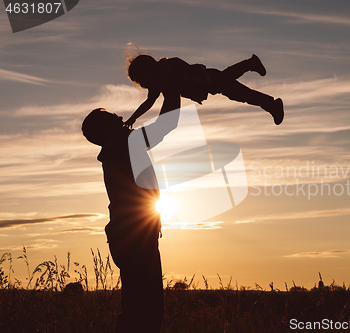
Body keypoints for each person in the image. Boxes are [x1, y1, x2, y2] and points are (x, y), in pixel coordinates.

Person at [81, 96, 180, 332]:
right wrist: (172, 88)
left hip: (124, 234)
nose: (120, 117)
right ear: (106, 129)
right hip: (136, 235)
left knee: (137, 308)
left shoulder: (116, 148)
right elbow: (168, 123)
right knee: (147, 312)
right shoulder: (128, 141)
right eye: (112, 117)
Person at [124, 53, 284, 127]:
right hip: (210, 84)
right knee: (232, 82)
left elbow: (171, 95)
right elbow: (149, 102)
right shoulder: (159, 83)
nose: (144, 85)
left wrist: (161, 122)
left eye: (142, 81)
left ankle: (271, 103)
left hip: (209, 79)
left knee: (240, 93)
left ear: (148, 71)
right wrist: (132, 118)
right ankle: (251, 64)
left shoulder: (169, 67)